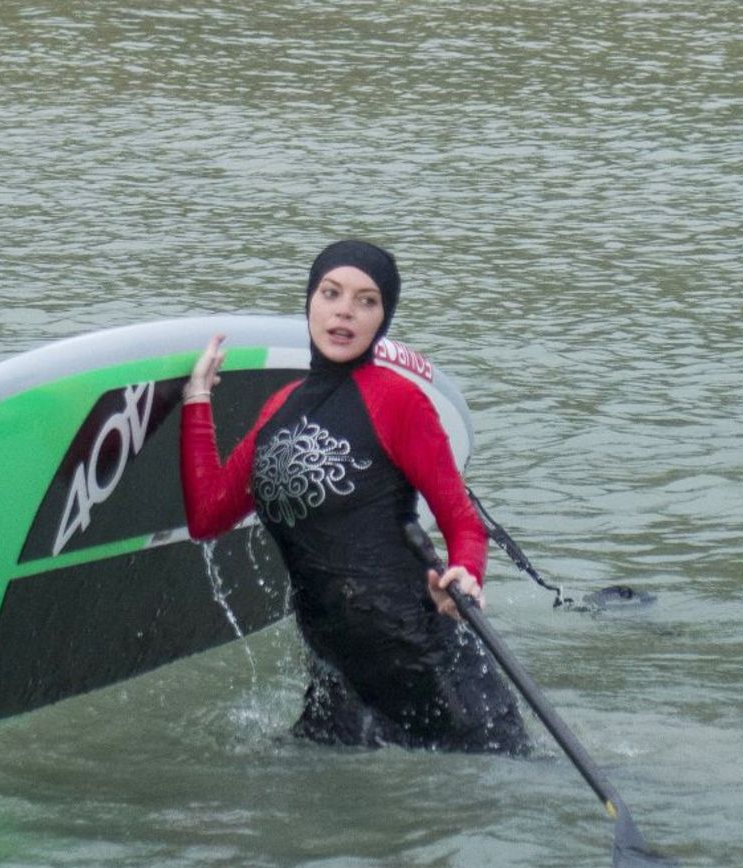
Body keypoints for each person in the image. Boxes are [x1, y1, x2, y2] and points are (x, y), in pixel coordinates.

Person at [180, 240, 529, 755]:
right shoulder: (279, 409)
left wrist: (466, 572)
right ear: (310, 303)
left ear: (382, 318)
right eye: (331, 293)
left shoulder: (398, 400)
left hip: (430, 671)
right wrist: (196, 399)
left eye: (367, 301)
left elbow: (462, 519)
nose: (345, 310)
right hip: (339, 682)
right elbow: (208, 515)